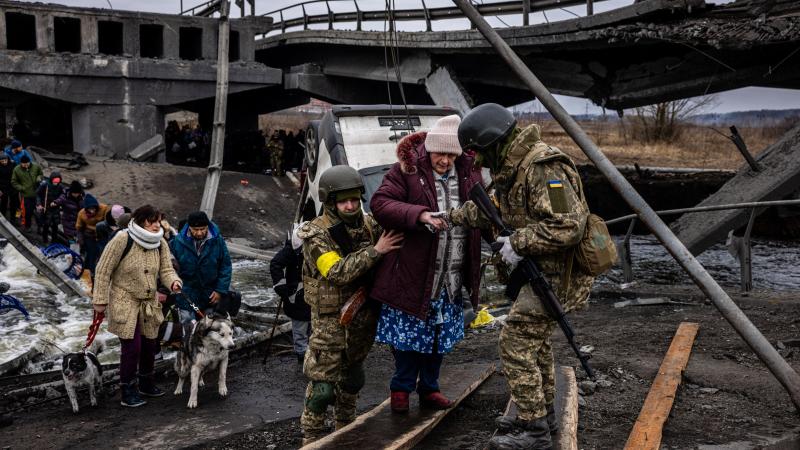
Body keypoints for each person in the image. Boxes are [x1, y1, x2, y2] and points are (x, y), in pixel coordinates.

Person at [447, 103, 593, 450]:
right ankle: (542, 416)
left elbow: (569, 225)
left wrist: (519, 241)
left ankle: (534, 431)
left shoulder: (545, 168)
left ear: (494, 143)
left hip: (560, 275)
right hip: (541, 271)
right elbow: (492, 209)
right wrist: (448, 216)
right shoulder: (513, 168)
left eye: (479, 153)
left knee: (514, 341)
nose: (478, 163)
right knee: (535, 343)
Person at [369, 114, 484, 413]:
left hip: (452, 275)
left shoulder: (470, 173)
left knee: (439, 336)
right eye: (439, 153)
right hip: (414, 272)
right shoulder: (406, 171)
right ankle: (401, 389)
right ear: (429, 149)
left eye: (451, 154)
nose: (445, 160)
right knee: (408, 338)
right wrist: (419, 215)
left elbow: (484, 208)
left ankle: (430, 388)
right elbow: (380, 203)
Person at [296, 165, 403, 444]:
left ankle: (347, 430)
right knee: (322, 388)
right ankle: (312, 438)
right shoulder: (316, 235)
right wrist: (376, 250)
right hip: (330, 322)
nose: (350, 205)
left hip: (362, 318)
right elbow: (336, 272)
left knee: (353, 379)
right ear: (330, 202)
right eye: (343, 200)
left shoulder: (369, 225)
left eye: (355, 199)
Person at [92, 204, 182, 407]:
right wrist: (99, 300)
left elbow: (167, 270)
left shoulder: (160, 242)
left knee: (150, 345)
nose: (156, 225)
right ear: (141, 220)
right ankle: (127, 390)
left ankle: (146, 383)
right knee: (132, 348)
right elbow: (103, 270)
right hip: (125, 300)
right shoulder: (122, 239)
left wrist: (174, 282)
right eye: (153, 221)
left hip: (149, 302)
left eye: (158, 221)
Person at [169, 211, 232, 330]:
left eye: (202, 229)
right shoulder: (177, 242)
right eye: (195, 229)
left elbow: (226, 266)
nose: (199, 233)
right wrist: (173, 282)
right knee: (187, 325)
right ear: (189, 227)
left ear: (208, 226)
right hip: (186, 292)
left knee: (211, 326)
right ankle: (187, 346)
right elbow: (169, 267)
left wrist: (220, 290)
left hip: (210, 292)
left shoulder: (217, 241)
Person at [269, 224, 312, 364]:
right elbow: (276, 263)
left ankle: (312, 355)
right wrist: (281, 285)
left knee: (314, 328)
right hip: (297, 296)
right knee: (300, 329)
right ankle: (302, 356)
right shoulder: (292, 248)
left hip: (315, 294)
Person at [75, 194, 110, 276]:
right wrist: (81, 240)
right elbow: (79, 228)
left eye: (94, 208)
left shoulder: (104, 208)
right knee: (91, 254)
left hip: (101, 234)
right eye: (90, 209)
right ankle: (91, 272)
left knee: (102, 253)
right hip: (89, 236)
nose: (93, 211)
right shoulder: (81, 214)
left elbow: (108, 221)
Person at [10, 155, 43, 230]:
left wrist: (39, 178)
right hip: (26, 195)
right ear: (21, 163)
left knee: (39, 213)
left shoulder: (36, 166)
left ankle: (40, 228)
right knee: (28, 213)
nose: (26, 165)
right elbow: (13, 181)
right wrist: (21, 188)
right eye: (24, 164)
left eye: (27, 163)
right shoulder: (16, 169)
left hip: (37, 195)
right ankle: (27, 226)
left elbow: (41, 174)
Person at [35, 171, 65, 243]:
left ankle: (54, 241)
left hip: (56, 209)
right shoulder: (45, 185)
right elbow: (37, 194)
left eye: (57, 182)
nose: (56, 183)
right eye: (54, 181)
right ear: (51, 180)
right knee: (46, 225)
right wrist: (39, 204)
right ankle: (45, 240)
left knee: (55, 226)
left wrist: (57, 202)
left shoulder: (60, 186)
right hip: (46, 208)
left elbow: (63, 195)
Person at [0, 153, 15, 221]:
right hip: (3, 187)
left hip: (12, 186)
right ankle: (3, 216)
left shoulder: (12, 164)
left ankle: (13, 218)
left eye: (5, 160)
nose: (4, 162)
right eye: (2, 161)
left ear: (8, 159)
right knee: (4, 202)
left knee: (14, 202)